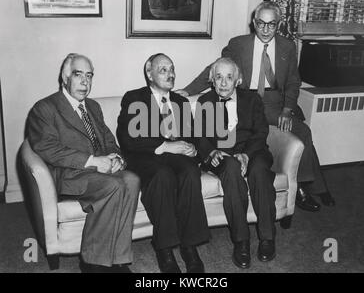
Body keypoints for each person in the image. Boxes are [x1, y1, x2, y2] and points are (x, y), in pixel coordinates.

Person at [176, 1, 335, 212]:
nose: (266, 29)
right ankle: (309, 188)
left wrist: (287, 110)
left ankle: (307, 185)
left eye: (271, 24)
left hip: (274, 103)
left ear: (278, 24)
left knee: (302, 131)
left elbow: (293, 82)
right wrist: (188, 91)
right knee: (300, 133)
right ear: (254, 22)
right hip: (247, 100)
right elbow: (213, 70)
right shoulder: (239, 45)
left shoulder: (287, 46)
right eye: (261, 23)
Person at [27, 53, 140, 273]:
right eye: (79, 75)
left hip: (99, 172)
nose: (85, 82)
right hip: (70, 174)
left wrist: (117, 158)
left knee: (132, 180)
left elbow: (109, 141)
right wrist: (92, 161)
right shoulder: (45, 108)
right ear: (65, 76)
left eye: (89, 76)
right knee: (114, 185)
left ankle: (117, 257)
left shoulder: (93, 107)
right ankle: (93, 262)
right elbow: (47, 148)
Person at [116, 53, 209, 273]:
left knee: (189, 172)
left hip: (176, 157)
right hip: (145, 157)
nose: (171, 74)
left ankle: (189, 246)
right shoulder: (134, 98)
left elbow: (194, 134)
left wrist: (194, 148)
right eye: (163, 69)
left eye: (172, 69)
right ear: (149, 73)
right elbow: (127, 137)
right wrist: (164, 146)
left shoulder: (181, 101)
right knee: (163, 175)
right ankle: (165, 249)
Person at [195, 57, 276, 268]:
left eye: (229, 77)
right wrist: (211, 151)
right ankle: (241, 241)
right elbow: (200, 136)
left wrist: (247, 155)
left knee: (259, 170)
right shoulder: (205, 102)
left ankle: (267, 237)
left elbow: (261, 132)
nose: (223, 83)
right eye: (219, 77)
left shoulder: (252, 100)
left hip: (252, 150)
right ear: (212, 80)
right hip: (221, 155)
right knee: (230, 168)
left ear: (238, 80)